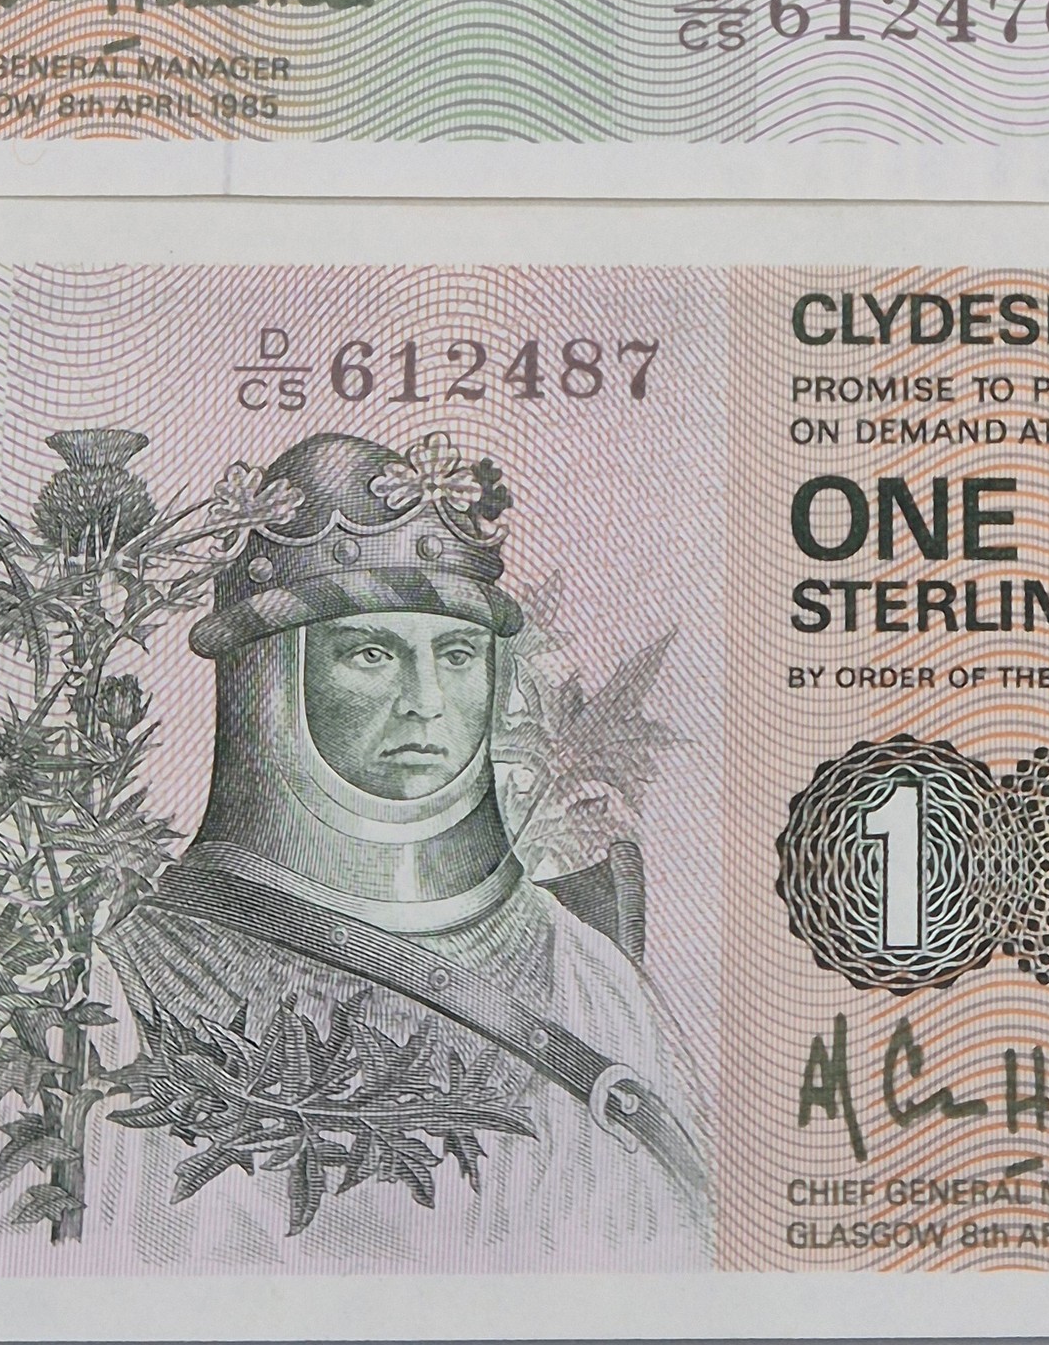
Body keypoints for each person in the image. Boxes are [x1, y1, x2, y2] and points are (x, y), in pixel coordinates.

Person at [49, 431, 709, 1265]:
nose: (426, 701)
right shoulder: (112, 993)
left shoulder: (585, 975)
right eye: (370, 653)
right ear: (270, 678)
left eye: (457, 654)